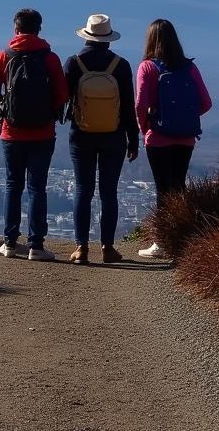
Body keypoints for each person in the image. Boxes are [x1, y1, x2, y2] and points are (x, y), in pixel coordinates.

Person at [0, 8, 69, 261]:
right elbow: (63, 95)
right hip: (43, 133)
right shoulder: (50, 58)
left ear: (15, 29)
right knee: (37, 188)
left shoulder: (3, 56)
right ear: (39, 29)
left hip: (11, 133)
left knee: (13, 185)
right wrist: (48, 113)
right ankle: (36, 246)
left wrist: (6, 113)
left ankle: (10, 242)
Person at [63, 14, 139, 265]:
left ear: (86, 35)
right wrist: (133, 139)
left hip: (81, 134)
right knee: (109, 192)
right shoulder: (121, 65)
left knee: (83, 189)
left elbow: (62, 99)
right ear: (108, 39)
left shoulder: (74, 63)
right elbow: (129, 105)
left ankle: (81, 248)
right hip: (114, 135)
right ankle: (107, 247)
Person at [136, 18, 212, 260]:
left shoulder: (147, 67)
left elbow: (140, 103)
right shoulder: (189, 67)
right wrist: (185, 118)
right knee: (179, 186)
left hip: (157, 138)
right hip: (186, 138)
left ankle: (163, 241)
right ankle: (182, 238)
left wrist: (144, 127)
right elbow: (206, 102)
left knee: (163, 189)